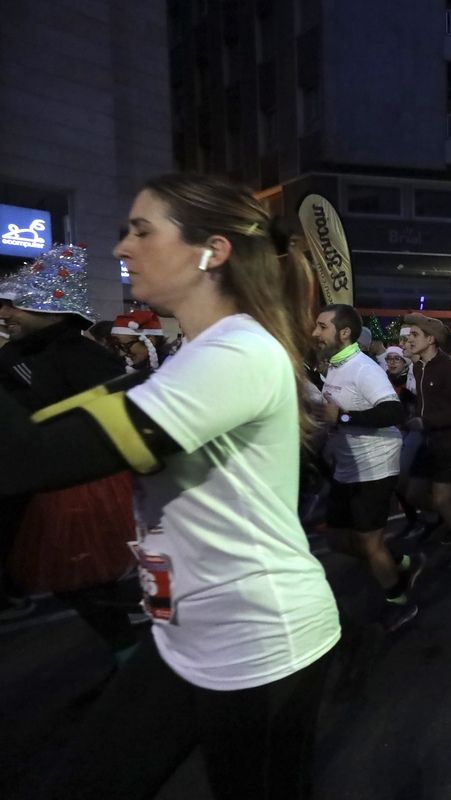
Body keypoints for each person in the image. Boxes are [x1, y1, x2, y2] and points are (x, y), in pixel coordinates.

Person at [1, 174, 340, 799]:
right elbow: (46, 429)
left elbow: (30, 458)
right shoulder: (192, 354)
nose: (120, 248)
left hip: (258, 640)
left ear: (211, 251)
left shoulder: (235, 354)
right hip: (183, 634)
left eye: (142, 230)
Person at [0, 246, 142, 662]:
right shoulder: (14, 355)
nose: (5, 313)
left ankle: (131, 656)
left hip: (75, 495)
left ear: (54, 311)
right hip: (28, 488)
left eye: (16, 306)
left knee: (82, 577)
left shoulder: (87, 359)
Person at [313, 303, 424, 630]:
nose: (315, 333)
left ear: (344, 332)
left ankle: (399, 601)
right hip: (346, 465)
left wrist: (344, 417)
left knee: (369, 543)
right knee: (337, 540)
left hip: (375, 464)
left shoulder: (363, 368)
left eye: (322, 327)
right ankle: (402, 561)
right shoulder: (334, 366)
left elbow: (394, 413)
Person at [401, 312, 451, 569]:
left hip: (449, 443)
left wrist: (426, 421)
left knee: (443, 499)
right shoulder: (419, 366)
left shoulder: (447, 369)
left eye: (414, 335)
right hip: (427, 442)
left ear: (430, 339)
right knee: (412, 494)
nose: (409, 339)